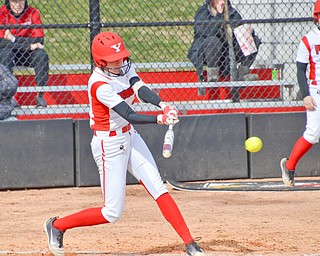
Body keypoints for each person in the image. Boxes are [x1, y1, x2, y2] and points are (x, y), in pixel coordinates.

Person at [43, 31, 206, 256]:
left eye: (121, 58)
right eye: (114, 60)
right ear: (101, 62)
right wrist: (159, 119)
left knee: (158, 188)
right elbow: (128, 112)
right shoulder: (98, 84)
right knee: (112, 213)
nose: (120, 63)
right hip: (108, 144)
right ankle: (57, 226)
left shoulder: (124, 67)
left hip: (129, 136)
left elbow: (140, 89)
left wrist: (163, 104)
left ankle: (190, 243)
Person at [280, 0, 320, 187]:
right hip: (316, 90)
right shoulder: (308, 39)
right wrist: (305, 95)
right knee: (313, 134)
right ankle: (289, 166)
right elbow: (300, 70)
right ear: (316, 18)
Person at [187, 0, 261, 82]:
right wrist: (218, 16)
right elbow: (205, 33)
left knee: (254, 40)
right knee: (212, 41)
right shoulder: (203, 12)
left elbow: (240, 28)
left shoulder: (231, 12)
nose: (222, 2)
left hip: (228, 52)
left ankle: (242, 75)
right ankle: (212, 76)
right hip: (207, 53)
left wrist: (248, 32)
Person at [0, 0, 49, 108]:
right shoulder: (2, 13)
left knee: (41, 55)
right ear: (8, 2)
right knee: (6, 53)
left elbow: (39, 39)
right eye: (14, 2)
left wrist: (13, 39)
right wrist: (29, 44)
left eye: (20, 1)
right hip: (10, 53)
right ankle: (9, 98)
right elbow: (2, 42)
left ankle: (40, 95)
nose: (17, 5)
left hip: (28, 54)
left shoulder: (33, 13)